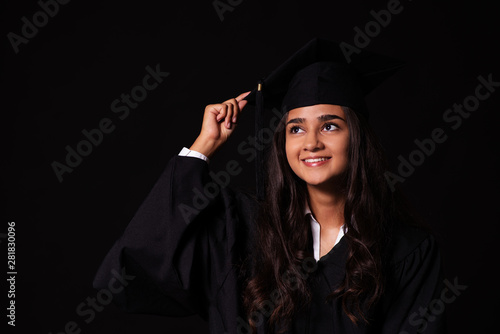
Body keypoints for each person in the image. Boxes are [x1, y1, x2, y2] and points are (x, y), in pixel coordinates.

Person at [93, 38, 445, 333]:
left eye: (330, 126)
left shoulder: (406, 251)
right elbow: (135, 264)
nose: (310, 143)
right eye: (296, 128)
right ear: (282, 144)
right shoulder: (240, 229)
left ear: (358, 139)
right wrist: (202, 148)